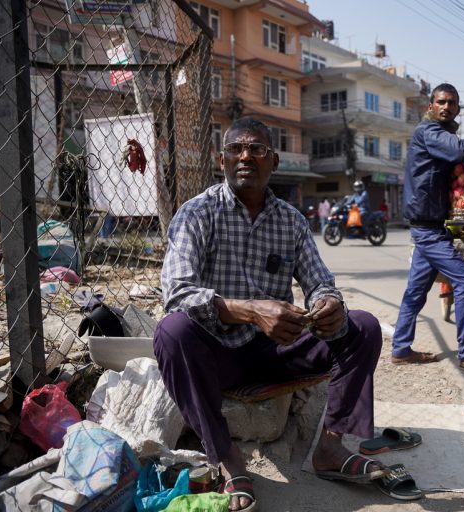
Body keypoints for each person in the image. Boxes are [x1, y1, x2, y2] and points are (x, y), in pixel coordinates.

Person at [154, 117, 389, 510]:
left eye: (257, 149)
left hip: (279, 349)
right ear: (222, 160)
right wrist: (247, 311)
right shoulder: (196, 214)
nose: (246, 156)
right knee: (172, 331)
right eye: (235, 149)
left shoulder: (292, 221)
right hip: (219, 354)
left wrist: (327, 305)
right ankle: (227, 457)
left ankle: (331, 446)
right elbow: (177, 293)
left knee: (361, 325)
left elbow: (320, 281)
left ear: (274, 161)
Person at [391, 83, 464, 376]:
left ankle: (401, 349)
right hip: (427, 228)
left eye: (451, 103)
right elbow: (457, 151)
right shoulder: (430, 132)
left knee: (415, 292)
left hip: (431, 224)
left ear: (457, 108)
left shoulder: (438, 134)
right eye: (441, 102)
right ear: (431, 105)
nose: (446, 107)